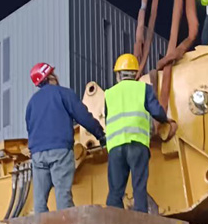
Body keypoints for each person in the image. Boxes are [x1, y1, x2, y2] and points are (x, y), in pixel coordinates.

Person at [25, 62, 105, 214]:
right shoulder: (63, 94)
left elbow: (30, 127)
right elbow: (83, 117)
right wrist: (100, 134)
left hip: (38, 154)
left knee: (40, 201)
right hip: (60, 151)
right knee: (62, 195)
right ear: (50, 77)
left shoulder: (32, 102)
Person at [105, 53, 174, 214]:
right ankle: (140, 217)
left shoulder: (109, 94)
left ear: (118, 75)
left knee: (115, 190)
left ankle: (113, 219)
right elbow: (157, 111)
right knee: (139, 186)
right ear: (135, 73)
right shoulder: (144, 89)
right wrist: (166, 120)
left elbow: (108, 117)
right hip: (137, 144)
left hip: (116, 146)